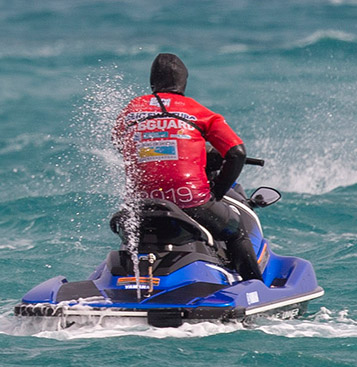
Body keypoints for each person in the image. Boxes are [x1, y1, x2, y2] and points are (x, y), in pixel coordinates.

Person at [111, 52, 265, 282]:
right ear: (183, 82)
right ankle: (255, 286)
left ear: (153, 82)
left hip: (140, 204)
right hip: (189, 200)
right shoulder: (198, 111)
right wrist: (216, 194)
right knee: (237, 232)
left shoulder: (132, 109)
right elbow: (237, 153)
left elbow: (119, 143)